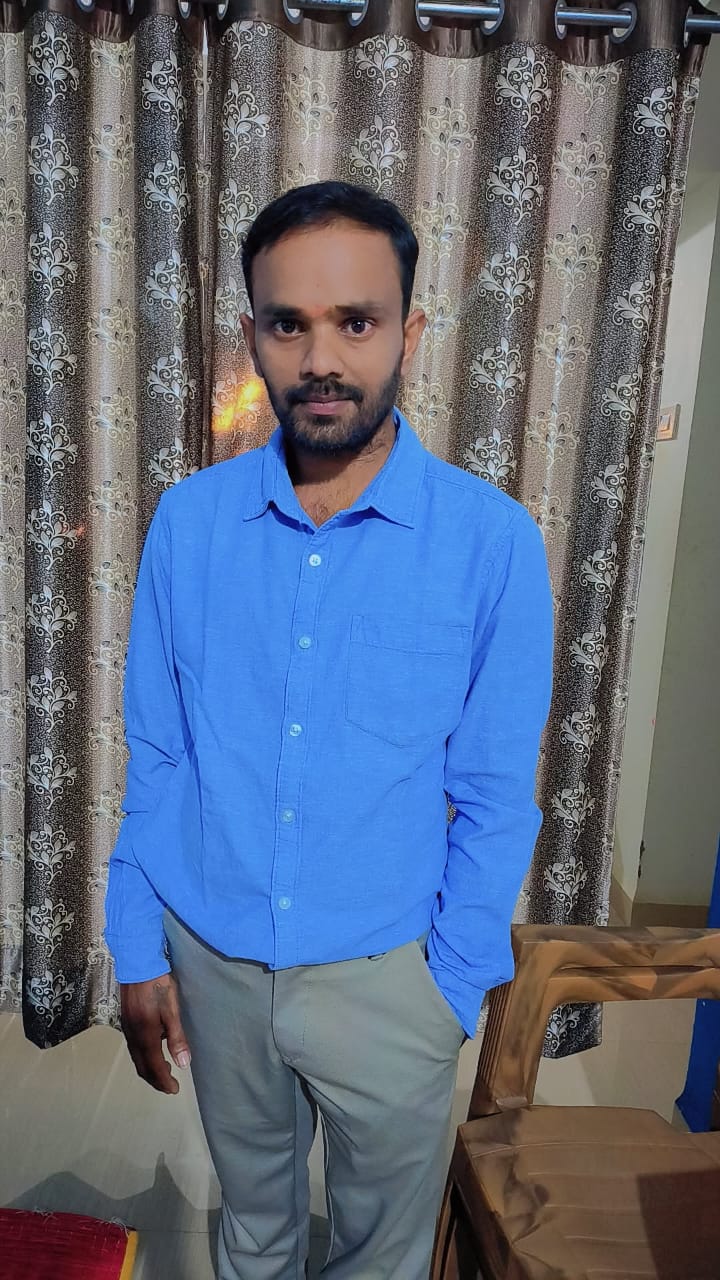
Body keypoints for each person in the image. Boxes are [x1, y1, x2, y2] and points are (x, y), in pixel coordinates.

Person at [105, 180, 554, 1280]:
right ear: (251, 333)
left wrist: (450, 986)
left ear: (409, 331)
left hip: (391, 976)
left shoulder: (491, 542)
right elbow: (158, 752)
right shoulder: (190, 523)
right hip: (214, 954)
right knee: (252, 1230)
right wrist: (138, 944)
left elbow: (496, 792)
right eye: (288, 323)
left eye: (356, 321)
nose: (320, 359)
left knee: (380, 1255)